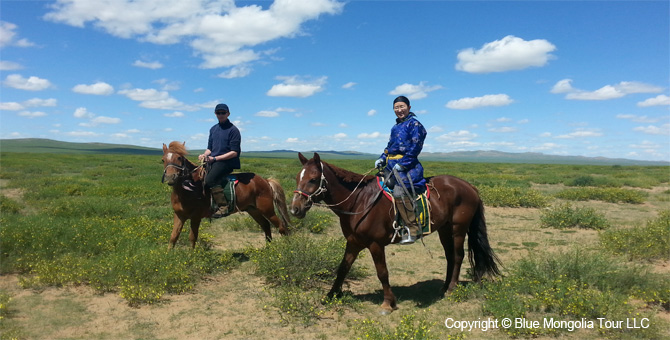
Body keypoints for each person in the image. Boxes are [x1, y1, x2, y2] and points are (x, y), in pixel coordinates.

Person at [374, 96, 427, 244]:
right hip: (391, 166)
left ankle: (413, 228)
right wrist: (382, 158)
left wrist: (403, 163)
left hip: (408, 168)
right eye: (396, 107)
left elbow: (415, 148)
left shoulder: (415, 125)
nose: (399, 110)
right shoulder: (395, 127)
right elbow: (389, 147)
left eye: (402, 106)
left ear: (409, 107)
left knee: (399, 192)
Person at [198, 103, 241, 218]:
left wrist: (215, 158)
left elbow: (234, 152)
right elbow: (209, 148)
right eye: (218, 113)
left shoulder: (233, 130)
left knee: (210, 179)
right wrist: (204, 155)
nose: (221, 115)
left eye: (223, 113)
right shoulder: (213, 129)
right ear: (215, 114)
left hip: (227, 162)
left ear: (228, 114)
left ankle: (223, 206)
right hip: (214, 160)